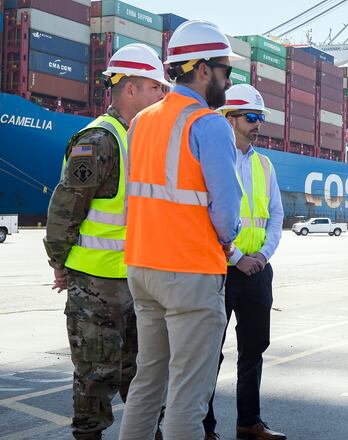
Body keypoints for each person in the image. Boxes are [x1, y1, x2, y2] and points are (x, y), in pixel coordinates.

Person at [118, 20, 243, 440]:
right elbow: (226, 214)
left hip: (141, 267)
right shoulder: (208, 124)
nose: (229, 80)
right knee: (188, 399)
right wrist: (227, 240)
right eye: (227, 71)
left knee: (146, 386)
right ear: (204, 70)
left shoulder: (141, 122)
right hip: (190, 271)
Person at [43, 44, 168, 440]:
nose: (162, 96)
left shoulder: (138, 138)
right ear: (129, 88)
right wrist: (62, 265)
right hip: (96, 287)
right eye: (154, 87)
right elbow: (65, 209)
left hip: (136, 283)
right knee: (95, 378)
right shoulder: (99, 140)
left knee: (142, 376)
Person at [202, 84, 286, 440]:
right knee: (208, 354)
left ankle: (249, 423)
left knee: (254, 350)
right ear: (228, 118)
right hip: (219, 270)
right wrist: (236, 257)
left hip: (257, 273)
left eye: (261, 118)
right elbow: (205, 215)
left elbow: (277, 217)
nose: (257, 125)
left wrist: (262, 256)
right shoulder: (210, 157)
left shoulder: (264, 164)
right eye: (251, 117)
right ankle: (203, 428)